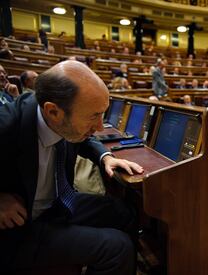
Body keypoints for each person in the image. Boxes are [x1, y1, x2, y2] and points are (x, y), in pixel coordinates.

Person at [0, 60, 144, 274]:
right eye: (94, 116)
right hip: (18, 230)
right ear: (53, 112)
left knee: (123, 212)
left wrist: (105, 157)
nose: (99, 127)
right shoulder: (6, 126)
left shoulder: (60, 118)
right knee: (117, 248)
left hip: (54, 203)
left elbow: (83, 139)